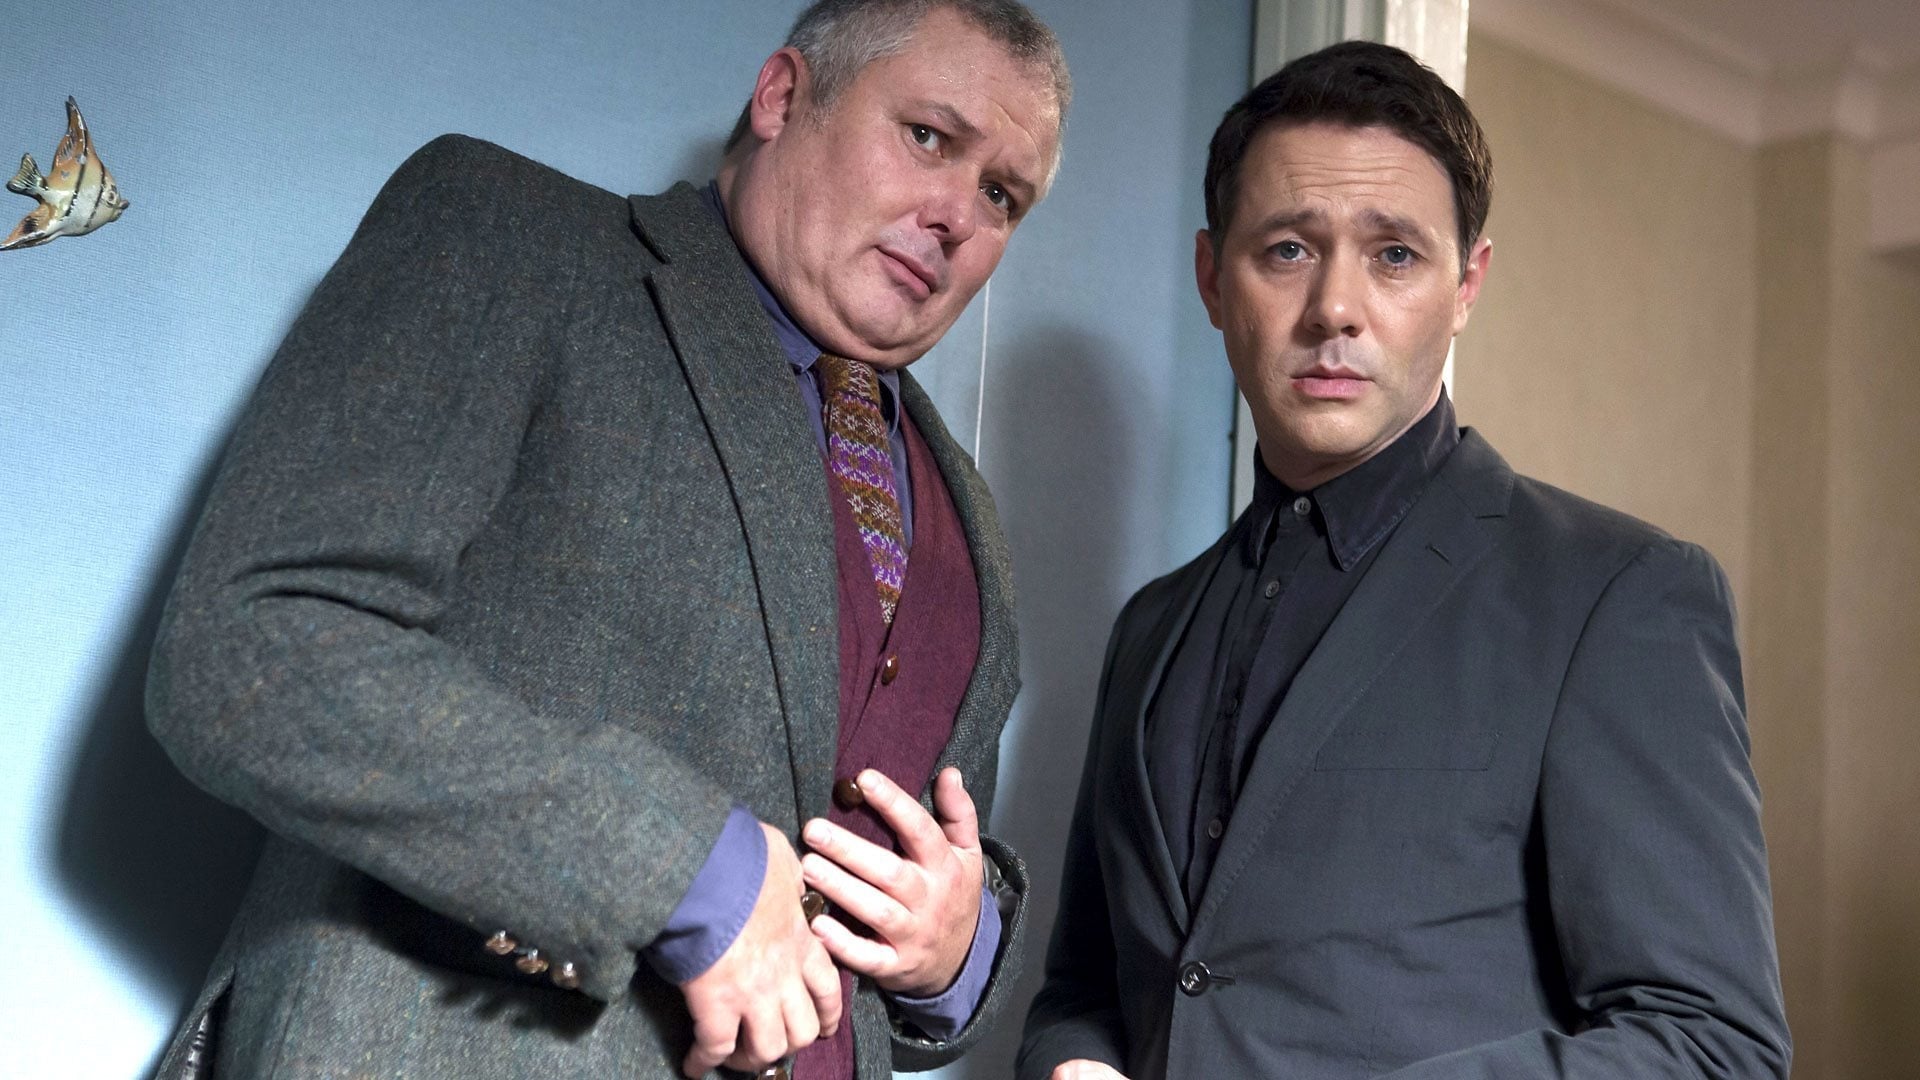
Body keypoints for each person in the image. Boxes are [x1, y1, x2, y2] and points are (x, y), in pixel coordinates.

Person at [144, 2, 1068, 1077]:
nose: (957, 214)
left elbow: (929, 863)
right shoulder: (512, 234)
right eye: (928, 136)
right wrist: (680, 872)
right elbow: (249, 645)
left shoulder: (967, 510)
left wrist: (957, 951)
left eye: (1002, 196)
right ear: (783, 96)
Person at [1018, 40, 1789, 1080]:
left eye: (1394, 255)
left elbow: (1712, 1046)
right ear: (1211, 279)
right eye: (1287, 248)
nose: (1335, 307)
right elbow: (1085, 993)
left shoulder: (1617, 596)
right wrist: (1073, 1064)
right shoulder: (1150, 630)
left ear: (1467, 285)